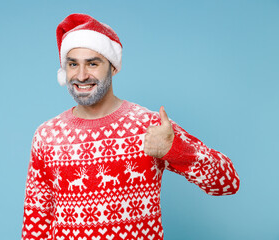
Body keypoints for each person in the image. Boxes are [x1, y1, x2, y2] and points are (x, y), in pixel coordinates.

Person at [21, 13, 240, 240]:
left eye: (93, 63)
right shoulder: (47, 136)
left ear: (113, 68)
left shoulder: (150, 126)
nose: (81, 75)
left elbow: (228, 182)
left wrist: (176, 149)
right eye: (73, 64)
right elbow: (36, 223)